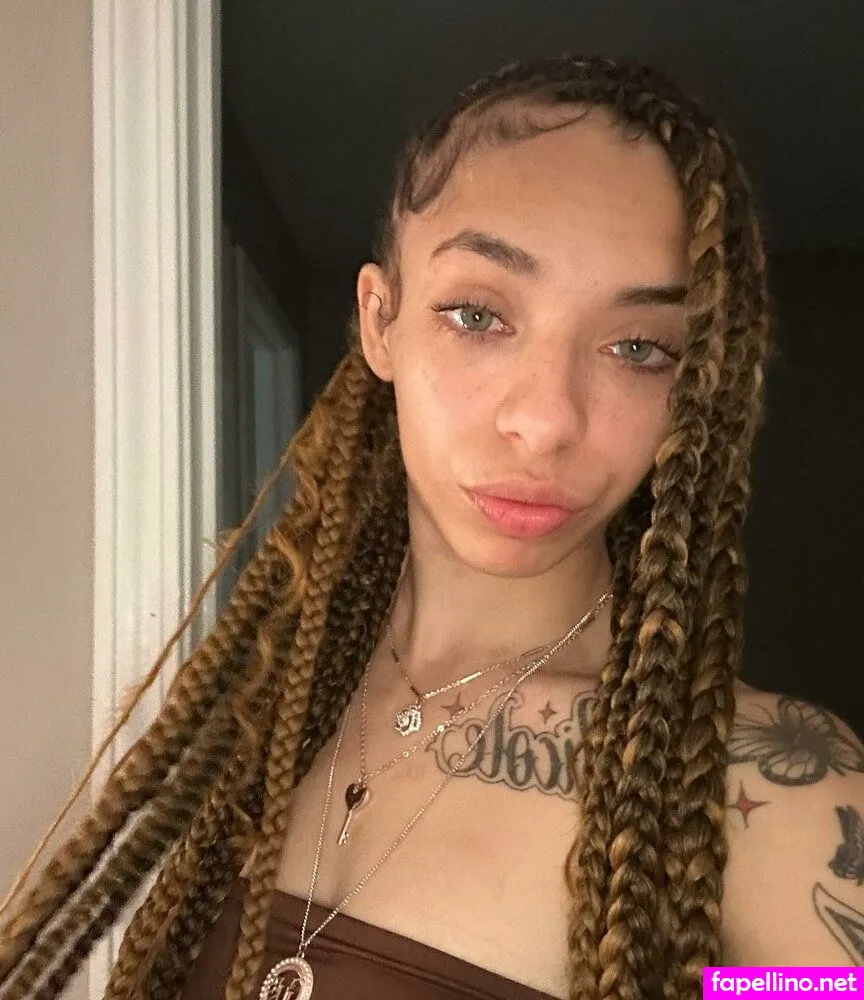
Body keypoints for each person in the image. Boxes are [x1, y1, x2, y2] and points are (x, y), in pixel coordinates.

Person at [1, 52, 862, 1000]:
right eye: (478, 315)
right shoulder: (259, 713)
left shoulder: (770, 800)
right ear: (380, 321)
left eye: (637, 347)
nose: (546, 420)